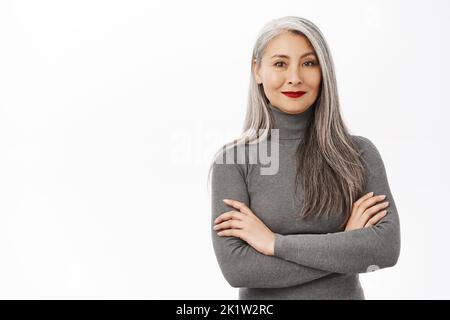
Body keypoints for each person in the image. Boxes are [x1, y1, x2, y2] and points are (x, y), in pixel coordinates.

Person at [207, 16, 400, 300]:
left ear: (324, 71)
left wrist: (273, 243)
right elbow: (239, 270)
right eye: (280, 63)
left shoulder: (358, 154)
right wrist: (345, 247)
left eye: (309, 63)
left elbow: (385, 249)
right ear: (257, 70)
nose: (295, 77)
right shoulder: (234, 161)